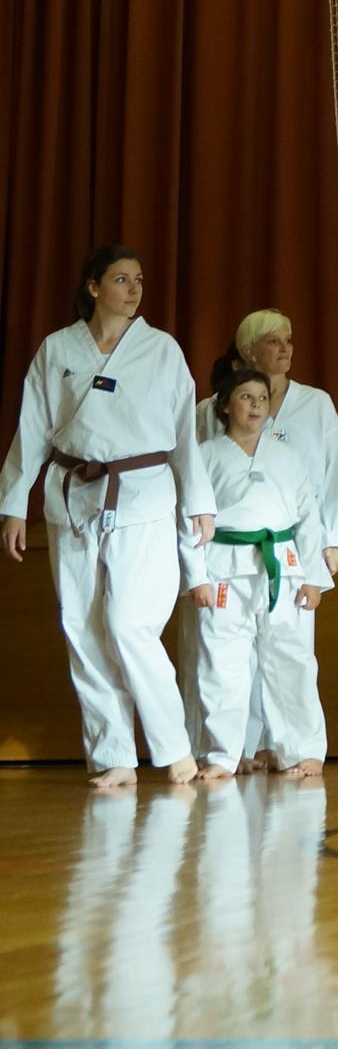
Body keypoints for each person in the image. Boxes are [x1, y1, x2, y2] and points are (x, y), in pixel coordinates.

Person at [1, 244, 215, 788]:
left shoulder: (161, 350)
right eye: (121, 279)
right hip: (73, 495)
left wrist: (199, 501)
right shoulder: (58, 348)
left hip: (142, 493)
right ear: (93, 287)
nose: (134, 289)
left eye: (139, 279)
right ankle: (114, 756)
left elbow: (184, 435)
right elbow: (32, 430)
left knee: (128, 624)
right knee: (82, 626)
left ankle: (174, 748)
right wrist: (14, 504)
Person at [183, 309, 338, 771]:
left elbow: (312, 512)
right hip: (223, 566)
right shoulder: (206, 451)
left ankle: (302, 751)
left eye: (262, 399)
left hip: (283, 563)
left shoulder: (293, 447)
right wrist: (195, 576)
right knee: (222, 663)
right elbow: (190, 518)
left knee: (290, 661)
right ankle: (224, 754)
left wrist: (317, 570)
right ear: (225, 405)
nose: (257, 406)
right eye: (246, 397)